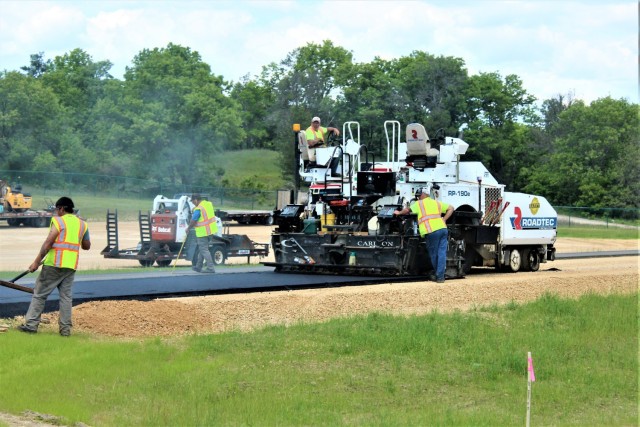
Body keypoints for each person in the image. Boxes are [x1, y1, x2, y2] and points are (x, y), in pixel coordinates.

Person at [18, 197, 91, 336]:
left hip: (54, 264)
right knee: (66, 298)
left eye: (57, 209)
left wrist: (36, 262)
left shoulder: (59, 221)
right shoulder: (82, 224)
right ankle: (65, 331)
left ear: (62, 208)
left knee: (39, 294)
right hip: (70, 266)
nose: (56, 212)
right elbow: (86, 246)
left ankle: (31, 325)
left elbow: (48, 243)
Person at [394, 186, 454, 283]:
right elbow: (451, 208)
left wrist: (399, 212)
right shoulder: (436, 202)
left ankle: (439, 276)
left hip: (431, 231)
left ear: (423, 195)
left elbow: (407, 210)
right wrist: (444, 219)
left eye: (418, 196)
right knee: (442, 253)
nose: (417, 198)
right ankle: (441, 276)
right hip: (443, 229)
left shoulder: (419, 204)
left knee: (434, 254)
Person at [186, 194, 217, 273]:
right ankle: (198, 266)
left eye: (193, 201)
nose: (193, 203)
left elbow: (194, 220)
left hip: (203, 232)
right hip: (210, 231)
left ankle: (210, 268)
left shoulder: (198, 209)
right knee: (202, 249)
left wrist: (188, 228)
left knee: (204, 250)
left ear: (196, 200)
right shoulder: (207, 204)